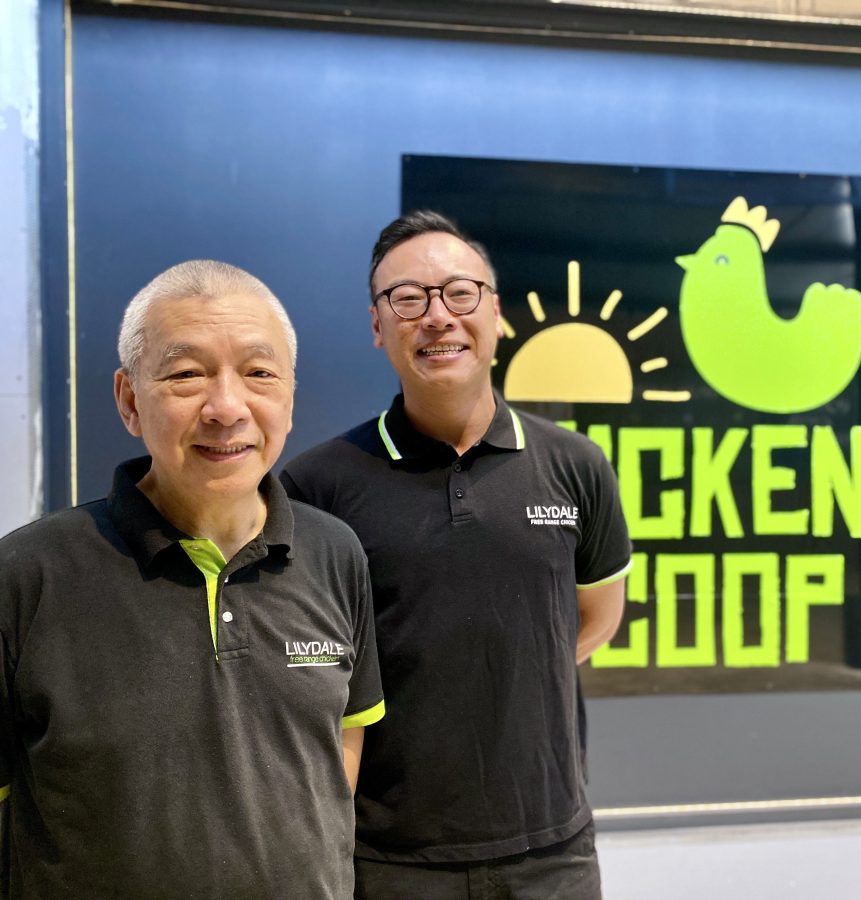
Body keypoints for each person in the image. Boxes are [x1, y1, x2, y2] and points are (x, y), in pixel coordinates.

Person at [0, 260, 385, 898]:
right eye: (186, 374)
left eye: (259, 373)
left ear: (289, 396)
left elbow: (337, 751)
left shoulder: (335, 552)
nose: (227, 407)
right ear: (129, 400)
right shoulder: (28, 575)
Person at [282, 210, 631, 898]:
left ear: (495, 314)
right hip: (388, 858)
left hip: (552, 852)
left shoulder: (576, 465)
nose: (437, 316)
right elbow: (307, 672)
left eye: (459, 293)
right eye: (408, 299)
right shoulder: (318, 485)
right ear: (378, 327)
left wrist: (509, 670)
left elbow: (596, 616)